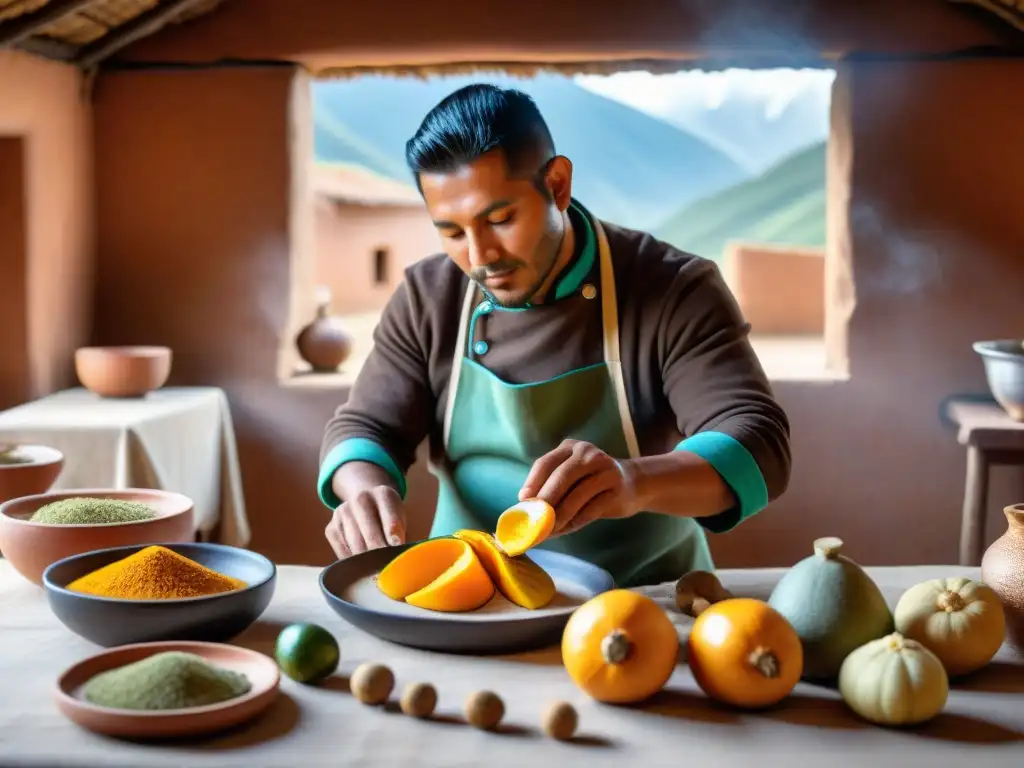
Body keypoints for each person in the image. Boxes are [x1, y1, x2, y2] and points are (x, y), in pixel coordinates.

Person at [317, 83, 791, 587]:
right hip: (471, 593)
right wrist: (364, 489)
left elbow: (757, 442)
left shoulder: (673, 288)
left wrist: (632, 481)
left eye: (499, 219)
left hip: (645, 599)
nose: (479, 258)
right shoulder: (427, 296)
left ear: (558, 184)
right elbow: (365, 426)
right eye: (452, 232)